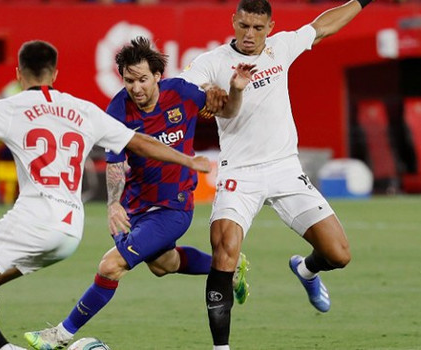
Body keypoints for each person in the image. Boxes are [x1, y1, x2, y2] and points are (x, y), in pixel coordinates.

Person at [0, 39, 212, 350]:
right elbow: (140, 142)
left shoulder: (9, 107)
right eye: (129, 80)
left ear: (19, 74)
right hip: (68, 232)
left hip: (33, 220)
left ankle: (31, 343)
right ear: (55, 73)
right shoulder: (83, 109)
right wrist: (187, 159)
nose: (135, 86)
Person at [23, 37, 255, 350]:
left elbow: (228, 111)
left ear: (158, 75)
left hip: (174, 206)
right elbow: (115, 163)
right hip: (136, 205)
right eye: (129, 80)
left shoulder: (182, 93)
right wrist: (114, 204)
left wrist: (236, 89)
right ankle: (228, 266)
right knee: (165, 265)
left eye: (143, 79)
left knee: (110, 266)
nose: (136, 88)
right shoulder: (117, 108)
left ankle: (59, 336)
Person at [179, 0, 370, 348]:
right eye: (244, 26)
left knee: (339, 255)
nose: (249, 35)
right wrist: (204, 94)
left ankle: (306, 270)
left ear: (270, 27)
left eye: (258, 28)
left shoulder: (281, 47)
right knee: (224, 254)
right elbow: (183, 87)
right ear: (233, 21)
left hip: (285, 169)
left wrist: (363, 1)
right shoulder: (212, 62)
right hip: (239, 173)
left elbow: (323, 25)